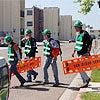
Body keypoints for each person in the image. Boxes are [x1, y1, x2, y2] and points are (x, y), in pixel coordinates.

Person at [72, 20, 92, 87]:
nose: (75, 28)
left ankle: (87, 79)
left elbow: (90, 43)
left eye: (76, 27)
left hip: (84, 53)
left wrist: (88, 52)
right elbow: (77, 44)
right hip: (78, 53)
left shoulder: (85, 33)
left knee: (79, 67)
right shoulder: (77, 34)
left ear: (79, 27)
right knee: (80, 68)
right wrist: (74, 51)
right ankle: (85, 82)